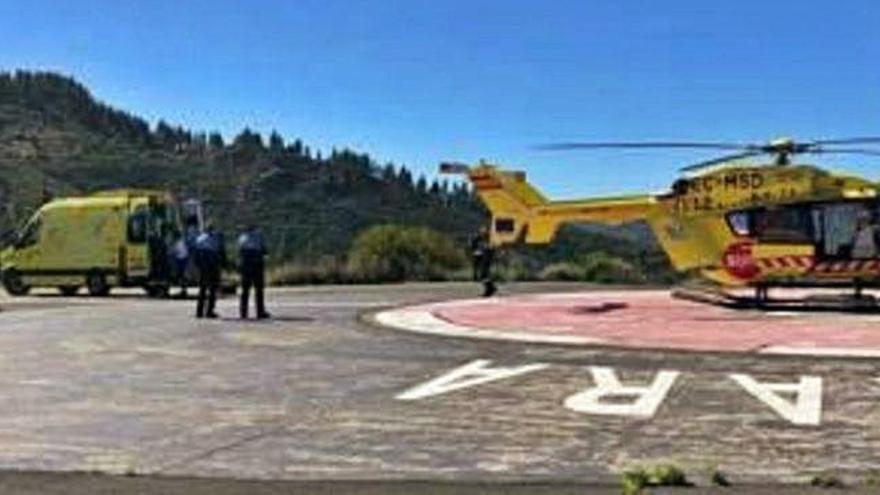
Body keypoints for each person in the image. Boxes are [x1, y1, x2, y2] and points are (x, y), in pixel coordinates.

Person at [238, 224, 270, 319]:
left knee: (245, 290)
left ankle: (243, 312)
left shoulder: (242, 237)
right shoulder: (259, 236)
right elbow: (264, 250)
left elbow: (240, 252)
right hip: (256, 263)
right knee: (259, 289)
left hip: (246, 264)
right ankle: (260, 312)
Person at [194, 223, 225, 318]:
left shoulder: (199, 238)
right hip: (212, 266)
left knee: (202, 289)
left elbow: (196, 256)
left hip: (203, 267)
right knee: (212, 289)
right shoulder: (214, 239)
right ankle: (209, 311)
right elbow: (219, 252)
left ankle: (199, 311)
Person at [469, 225, 497, 297]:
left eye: (485, 230)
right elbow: (473, 247)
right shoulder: (477, 238)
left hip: (486, 257)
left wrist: (486, 250)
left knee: (483, 274)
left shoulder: (490, 239)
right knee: (482, 275)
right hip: (481, 257)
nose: (483, 232)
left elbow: (491, 248)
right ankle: (490, 288)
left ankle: (490, 288)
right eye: (482, 230)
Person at [170, 232, 190, 298]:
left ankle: (183, 290)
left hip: (181, 260)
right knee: (182, 276)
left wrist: (171, 253)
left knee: (181, 276)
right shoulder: (181, 242)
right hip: (183, 259)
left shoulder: (178, 243)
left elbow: (175, 251)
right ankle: (183, 289)